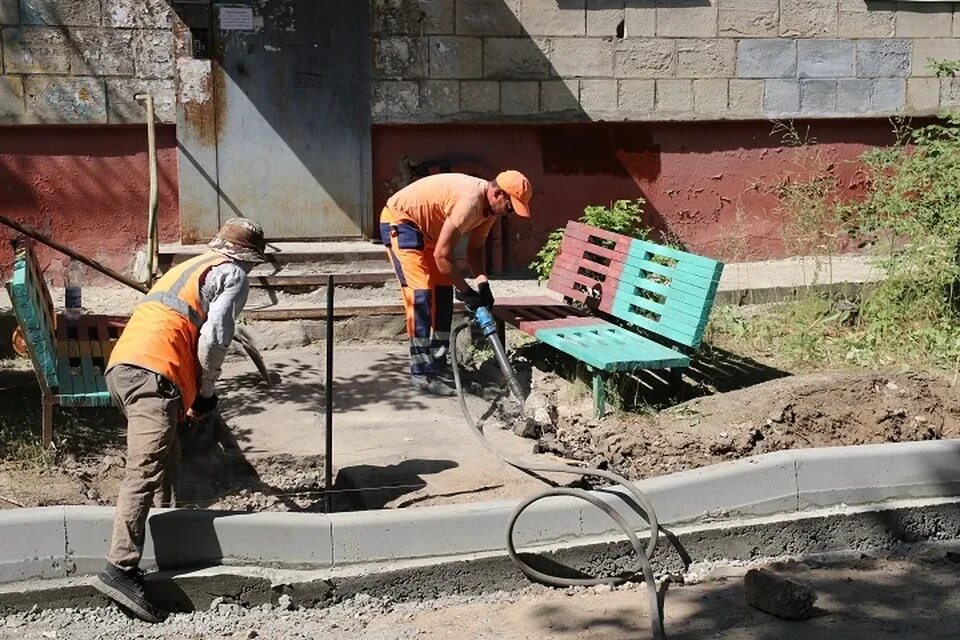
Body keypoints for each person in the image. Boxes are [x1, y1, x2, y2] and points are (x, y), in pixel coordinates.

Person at [92, 218, 267, 622]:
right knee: (145, 468)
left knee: (167, 454)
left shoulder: (192, 266)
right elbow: (214, 337)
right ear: (249, 259)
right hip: (155, 371)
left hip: (124, 366)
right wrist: (206, 393)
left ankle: (170, 537)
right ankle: (120, 568)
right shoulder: (234, 274)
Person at [380, 170, 533, 395]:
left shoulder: (489, 210)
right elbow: (443, 256)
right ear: (498, 193)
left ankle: (439, 364)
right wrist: (466, 291)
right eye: (510, 206)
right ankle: (421, 372)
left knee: (443, 293)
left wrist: (482, 283)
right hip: (402, 222)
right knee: (420, 293)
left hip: (430, 234)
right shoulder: (470, 201)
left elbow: (476, 248)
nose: (509, 213)